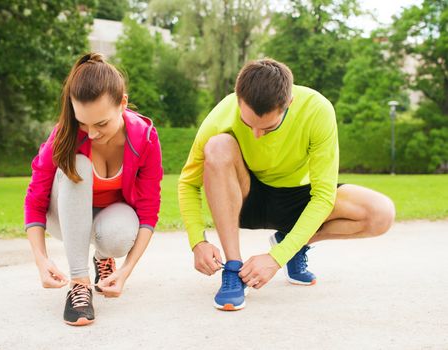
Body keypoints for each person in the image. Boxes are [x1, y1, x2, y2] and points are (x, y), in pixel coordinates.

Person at [178, 58, 395, 311]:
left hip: (298, 200)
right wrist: (198, 241)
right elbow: (188, 183)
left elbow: (323, 196)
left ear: (288, 103)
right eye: (249, 125)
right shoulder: (221, 114)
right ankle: (234, 269)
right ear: (238, 99)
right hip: (246, 197)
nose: (257, 135)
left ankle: (293, 244)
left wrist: (277, 258)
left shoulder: (317, 110)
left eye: (268, 128)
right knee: (217, 145)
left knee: (381, 213)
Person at [24, 53, 163, 325]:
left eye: (101, 123)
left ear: (123, 103)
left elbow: (148, 212)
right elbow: (35, 198)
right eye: (83, 123)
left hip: (103, 220)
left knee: (121, 232)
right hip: (63, 217)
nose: (92, 133)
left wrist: (126, 271)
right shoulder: (66, 133)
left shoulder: (145, 138)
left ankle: (104, 258)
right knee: (79, 164)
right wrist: (41, 259)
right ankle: (79, 283)